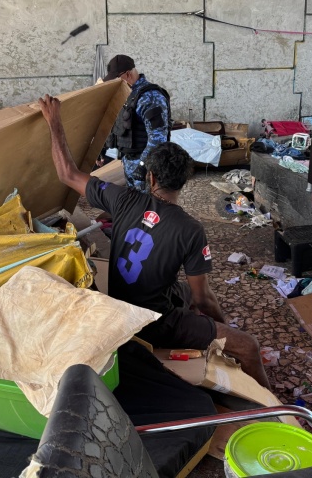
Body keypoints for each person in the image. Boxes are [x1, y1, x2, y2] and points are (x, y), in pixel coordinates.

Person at [38, 94, 270, 388]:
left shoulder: (122, 199)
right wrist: (224, 330)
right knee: (247, 345)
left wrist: (54, 121)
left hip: (122, 308)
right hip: (153, 322)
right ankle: (275, 411)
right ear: (184, 181)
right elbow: (204, 299)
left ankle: (192, 346)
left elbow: (67, 173)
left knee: (183, 292)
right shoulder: (190, 229)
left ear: (150, 178)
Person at [103, 54, 171, 192]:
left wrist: (143, 166)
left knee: (148, 208)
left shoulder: (150, 96)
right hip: (130, 163)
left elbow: (158, 138)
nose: (114, 83)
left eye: (116, 78)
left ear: (127, 74)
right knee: (134, 208)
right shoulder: (128, 94)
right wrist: (104, 147)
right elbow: (121, 125)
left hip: (147, 168)